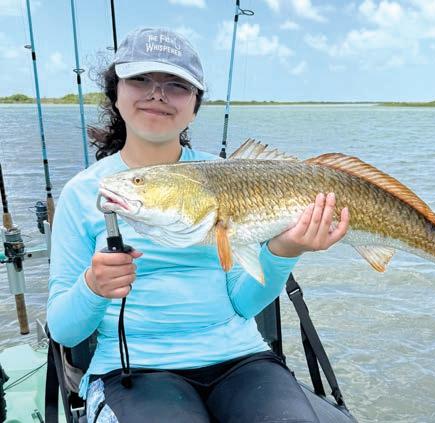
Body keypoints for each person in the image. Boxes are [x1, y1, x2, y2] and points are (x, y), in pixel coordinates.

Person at [47, 27, 350, 423]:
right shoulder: (82, 193)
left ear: (194, 106)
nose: (157, 94)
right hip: (133, 369)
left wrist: (285, 251)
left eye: (176, 85)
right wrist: (93, 286)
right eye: (140, 80)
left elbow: (243, 304)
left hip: (242, 360)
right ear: (115, 93)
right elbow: (64, 331)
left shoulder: (230, 178)